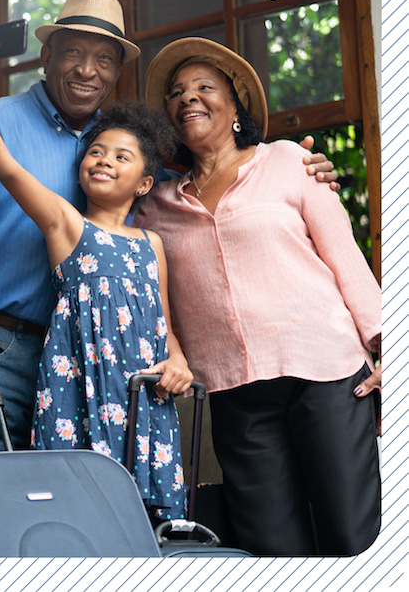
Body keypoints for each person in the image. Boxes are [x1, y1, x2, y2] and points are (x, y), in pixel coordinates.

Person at [0, 0, 338, 460]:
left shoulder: (123, 147)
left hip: (89, 363)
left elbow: (210, 176)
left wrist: (292, 165)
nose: (87, 70)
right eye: (72, 52)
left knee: (66, 507)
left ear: (117, 72)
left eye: (104, 60)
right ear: (47, 56)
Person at [134, 36, 381, 556]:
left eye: (205, 87)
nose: (188, 99)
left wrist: (388, 344)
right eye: (177, 93)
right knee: (270, 547)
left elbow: (345, 258)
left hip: (327, 371)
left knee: (350, 533)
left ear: (235, 104)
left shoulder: (290, 161)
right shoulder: (155, 203)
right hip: (233, 390)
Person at [0, 27, 192, 519]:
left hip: (140, 403)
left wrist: (179, 363)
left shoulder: (152, 244)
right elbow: (5, 165)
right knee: (70, 513)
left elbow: (164, 326)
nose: (104, 160)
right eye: (97, 153)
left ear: (146, 182)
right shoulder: (66, 223)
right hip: (78, 394)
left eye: (122, 157)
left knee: (143, 521)